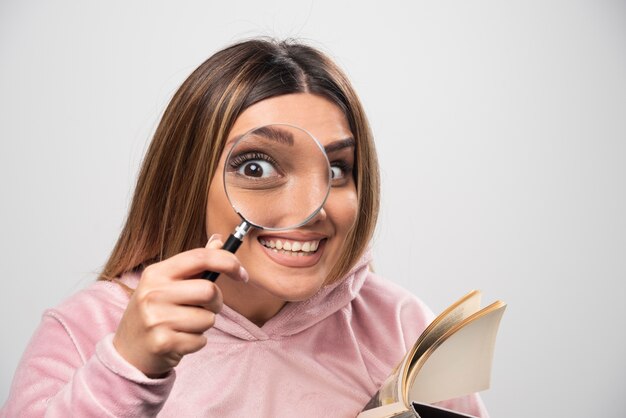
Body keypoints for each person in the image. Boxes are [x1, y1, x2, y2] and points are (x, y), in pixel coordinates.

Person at [1, 38, 488, 417]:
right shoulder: (86, 330)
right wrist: (128, 368)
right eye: (256, 167)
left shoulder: (397, 322)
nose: (310, 208)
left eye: (336, 170)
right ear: (187, 179)